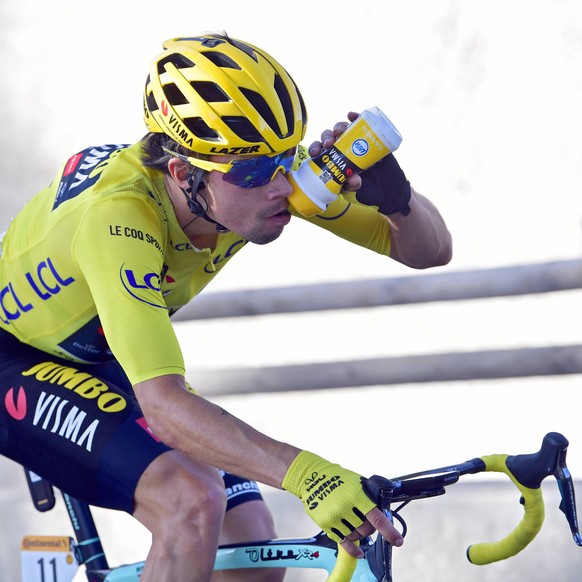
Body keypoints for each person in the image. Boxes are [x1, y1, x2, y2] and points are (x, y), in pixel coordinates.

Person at [0, 33, 452, 581]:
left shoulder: (251, 186)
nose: (283, 184)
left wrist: (398, 202)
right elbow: (164, 404)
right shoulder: (119, 219)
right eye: (256, 172)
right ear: (183, 173)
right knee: (190, 504)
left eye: (287, 158)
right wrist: (308, 475)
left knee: (255, 555)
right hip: (16, 356)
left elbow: (429, 252)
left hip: (98, 350)